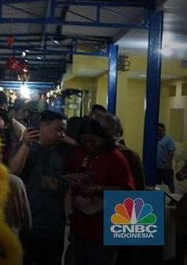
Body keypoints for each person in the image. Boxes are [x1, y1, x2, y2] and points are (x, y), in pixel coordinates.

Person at [65, 119, 135, 265]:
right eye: (84, 141)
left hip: (104, 228)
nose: (88, 145)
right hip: (79, 225)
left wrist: (97, 189)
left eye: (93, 141)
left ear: (104, 139)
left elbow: (128, 192)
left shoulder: (116, 158)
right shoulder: (81, 153)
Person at [8, 110, 70, 265]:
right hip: (30, 226)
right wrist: (26, 144)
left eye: (64, 131)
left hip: (54, 228)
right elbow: (12, 174)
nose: (62, 135)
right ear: (42, 127)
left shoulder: (64, 152)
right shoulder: (28, 148)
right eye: (58, 130)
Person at [157, 122, 176, 191]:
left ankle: (173, 200)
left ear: (164, 130)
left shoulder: (168, 140)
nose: (159, 132)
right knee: (157, 186)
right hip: (157, 168)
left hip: (166, 168)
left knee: (170, 186)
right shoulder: (155, 139)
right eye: (157, 130)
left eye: (160, 130)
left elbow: (171, 153)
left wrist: (168, 164)